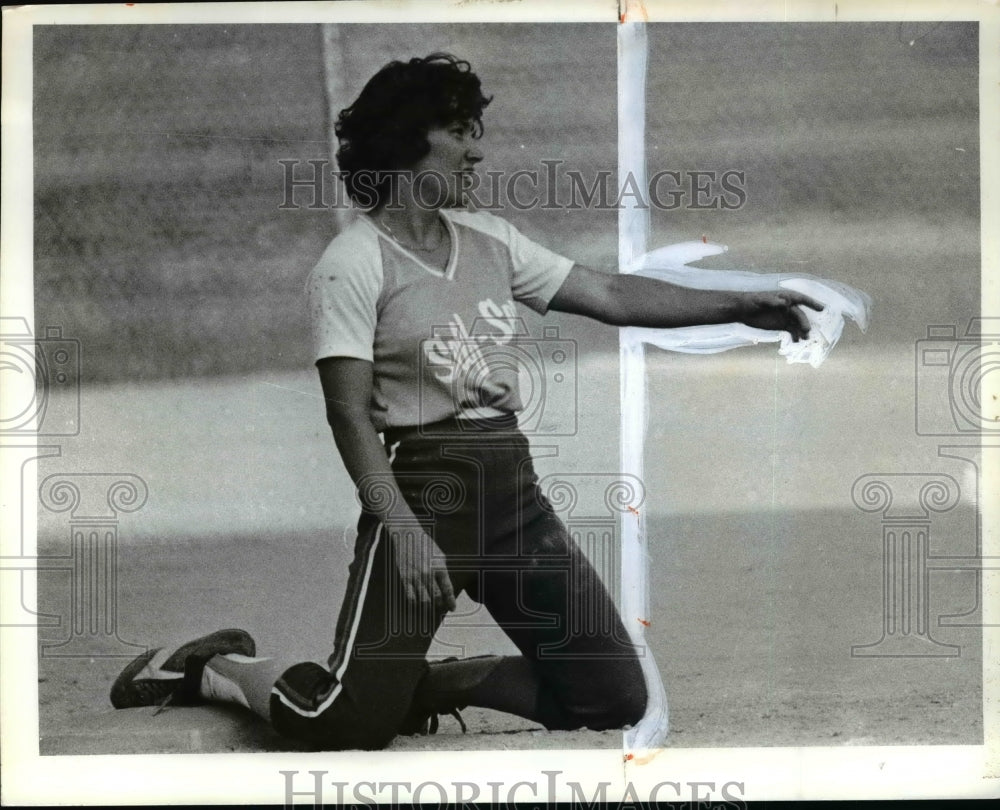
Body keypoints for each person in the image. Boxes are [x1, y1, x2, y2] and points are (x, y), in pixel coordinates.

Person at [110, 53, 821, 750]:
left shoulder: (490, 239)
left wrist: (739, 306)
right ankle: (213, 667)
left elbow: (607, 292)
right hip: (423, 495)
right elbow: (349, 414)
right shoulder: (353, 265)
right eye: (459, 130)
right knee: (345, 723)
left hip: (512, 493)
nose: (476, 151)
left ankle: (434, 685)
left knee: (611, 698)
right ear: (409, 142)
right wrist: (409, 533)